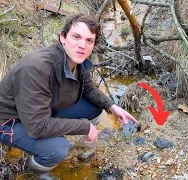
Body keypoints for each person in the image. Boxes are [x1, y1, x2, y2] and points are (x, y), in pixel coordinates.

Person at [0, 14, 138, 179]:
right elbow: (37, 127)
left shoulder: (78, 62)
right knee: (58, 149)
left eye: (89, 40)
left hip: (39, 112)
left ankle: (50, 136)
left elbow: (88, 90)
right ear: (62, 37)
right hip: (9, 121)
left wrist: (112, 106)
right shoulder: (37, 68)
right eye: (76, 37)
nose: (82, 45)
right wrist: (84, 127)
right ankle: (30, 172)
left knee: (94, 107)